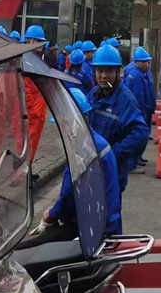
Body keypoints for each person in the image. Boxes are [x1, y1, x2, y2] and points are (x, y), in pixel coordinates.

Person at [38, 88, 122, 241]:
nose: (63, 127)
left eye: (66, 122)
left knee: (34, 249)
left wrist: (52, 214)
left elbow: (69, 193)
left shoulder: (84, 150)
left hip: (94, 229)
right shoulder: (95, 142)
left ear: (82, 120)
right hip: (103, 221)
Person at [86, 44, 149, 192]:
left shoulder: (125, 100)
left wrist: (112, 153)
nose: (103, 76)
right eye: (100, 70)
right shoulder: (93, 95)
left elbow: (140, 135)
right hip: (92, 169)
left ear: (117, 72)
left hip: (112, 174)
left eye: (108, 71)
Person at [122, 47, 156, 172]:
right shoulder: (136, 76)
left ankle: (136, 159)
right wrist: (142, 113)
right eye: (146, 61)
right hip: (139, 111)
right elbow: (139, 97)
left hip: (143, 110)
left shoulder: (142, 74)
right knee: (136, 137)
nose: (148, 64)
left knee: (141, 137)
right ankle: (132, 164)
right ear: (138, 62)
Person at [23, 25, 49, 161]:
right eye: (37, 41)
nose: (40, 45)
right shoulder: (25, 60)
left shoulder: (37, 59)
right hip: (32, 113)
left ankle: (27, 167)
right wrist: (31, 111)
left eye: (41, 42)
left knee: (32, 146)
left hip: (38, 112)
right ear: (28, 41)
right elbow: (25, 87)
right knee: (27, 147)